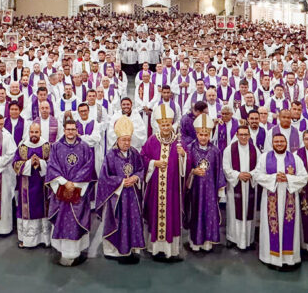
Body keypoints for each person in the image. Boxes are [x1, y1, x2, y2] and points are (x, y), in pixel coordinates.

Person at [95, 116, 146, 264]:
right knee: (116, 221)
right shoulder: (110, 156)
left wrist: (136, 178)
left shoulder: (135, 153)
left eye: (128, 140)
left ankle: (131, 249)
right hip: (116, 198)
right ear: (117, 139)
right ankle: (114, 251)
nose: (126, 143)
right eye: (123, 140)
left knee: (132, 221)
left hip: (133, 196)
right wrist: (122, 181)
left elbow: (141, 169)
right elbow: (104, 177)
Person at [254, 133, 308, 270]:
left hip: (290, 199)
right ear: (272, 143)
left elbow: (304, 177)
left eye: (281, 141)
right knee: (270, 228)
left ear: (286, 143)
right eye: (276, 141)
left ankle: (289, 259)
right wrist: (274, 178)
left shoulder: (295, 158)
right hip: (270, 199)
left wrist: (288, 179)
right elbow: (257, 175)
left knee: (289, 227)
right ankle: (270, 258)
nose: (279, 144)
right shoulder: (264, 157)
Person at [46, 120, 96, 266]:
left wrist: (74, 184)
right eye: (68, 129)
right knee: (61, 220)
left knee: (76, 222)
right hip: (61, 191)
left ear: (76, 130)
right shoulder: (56, 147)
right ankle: (62, 251)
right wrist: (63, 182)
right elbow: (52, 166)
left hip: (78, 190)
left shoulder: (85, 147)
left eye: (73, 129)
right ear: (64, 130)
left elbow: (89, 167)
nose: (70, 132)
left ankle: (77, 252)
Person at [140, 104, 186, 261]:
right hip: (156, 187)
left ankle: (170, 250)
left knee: (171, 215)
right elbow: (143, 158)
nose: (166, 127)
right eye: (163, 124)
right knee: (156, 215)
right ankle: (155, 249)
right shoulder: (152, 140)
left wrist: (183, 156)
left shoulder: (178, 142)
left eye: (168, 124)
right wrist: (154, 163)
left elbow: (185, 165)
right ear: (158, 125)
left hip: (172, 189)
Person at [183, 113, 225, 252]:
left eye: (206, 135)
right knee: (196, 213)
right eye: (201, 134)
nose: (203, 137)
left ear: (210, 134)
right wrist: (193, 171)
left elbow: (218, 170)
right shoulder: (189, 148)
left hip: (210, 190)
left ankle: (207, 242)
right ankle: (194, 242)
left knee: (209, 213)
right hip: (195, 190)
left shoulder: (215, 151)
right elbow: (184, 167)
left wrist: (219, 190)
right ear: (196, 133)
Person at [11, 123, 51, 248]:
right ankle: (27, 240)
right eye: (32, 132)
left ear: (40, 133)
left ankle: (45, 239)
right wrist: (28, 163)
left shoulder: (46, 146)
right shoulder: (22, 146)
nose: (34, 135)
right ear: (29, 132)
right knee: (26, 210)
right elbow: (15, 164)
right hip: (26, 186)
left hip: (42, 186)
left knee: (43, 209)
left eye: (36, 132)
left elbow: (52, 163)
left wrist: (41, 163)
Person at [222, 125, 259, 250]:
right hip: (235, 187)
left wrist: (250, 174)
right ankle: (232, 238)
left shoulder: (255, 150)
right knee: (233, 212)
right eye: (241, 134)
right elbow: (226, 168)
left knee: (249, 213)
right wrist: (238, 175)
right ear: (237, 135)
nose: (243, 137)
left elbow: (259, 168)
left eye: (246, 134)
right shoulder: (229, 150)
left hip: (250, 185)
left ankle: (249, 238)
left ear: (249, 135)